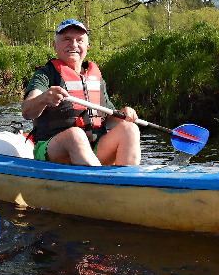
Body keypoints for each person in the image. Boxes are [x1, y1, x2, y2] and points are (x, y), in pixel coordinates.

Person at [22, 19, 141, 166]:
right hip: (55, 150)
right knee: (75, 135)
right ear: (55, 45)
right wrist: (43, 99)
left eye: (79, 40)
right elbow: (27, 111)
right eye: (66, 39)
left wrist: (122, 114)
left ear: (87, 46)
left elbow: (108, 116)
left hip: (94, 149)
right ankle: (97, 183)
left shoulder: (95, 76)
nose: (73, 45)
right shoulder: (45, 74)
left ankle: (126, 183)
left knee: (130, 129)